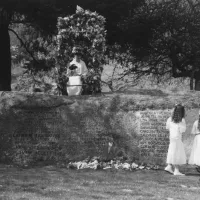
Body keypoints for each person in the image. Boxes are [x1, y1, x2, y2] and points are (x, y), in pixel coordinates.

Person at [164, 104, 187, 175]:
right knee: (177, 152)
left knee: (172, 151)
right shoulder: (182, 120)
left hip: (172, 138)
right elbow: (183, 130)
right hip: (177, 138)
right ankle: (176, 170)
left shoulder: (170, 119)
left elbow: (167, 127)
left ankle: (169, 166)